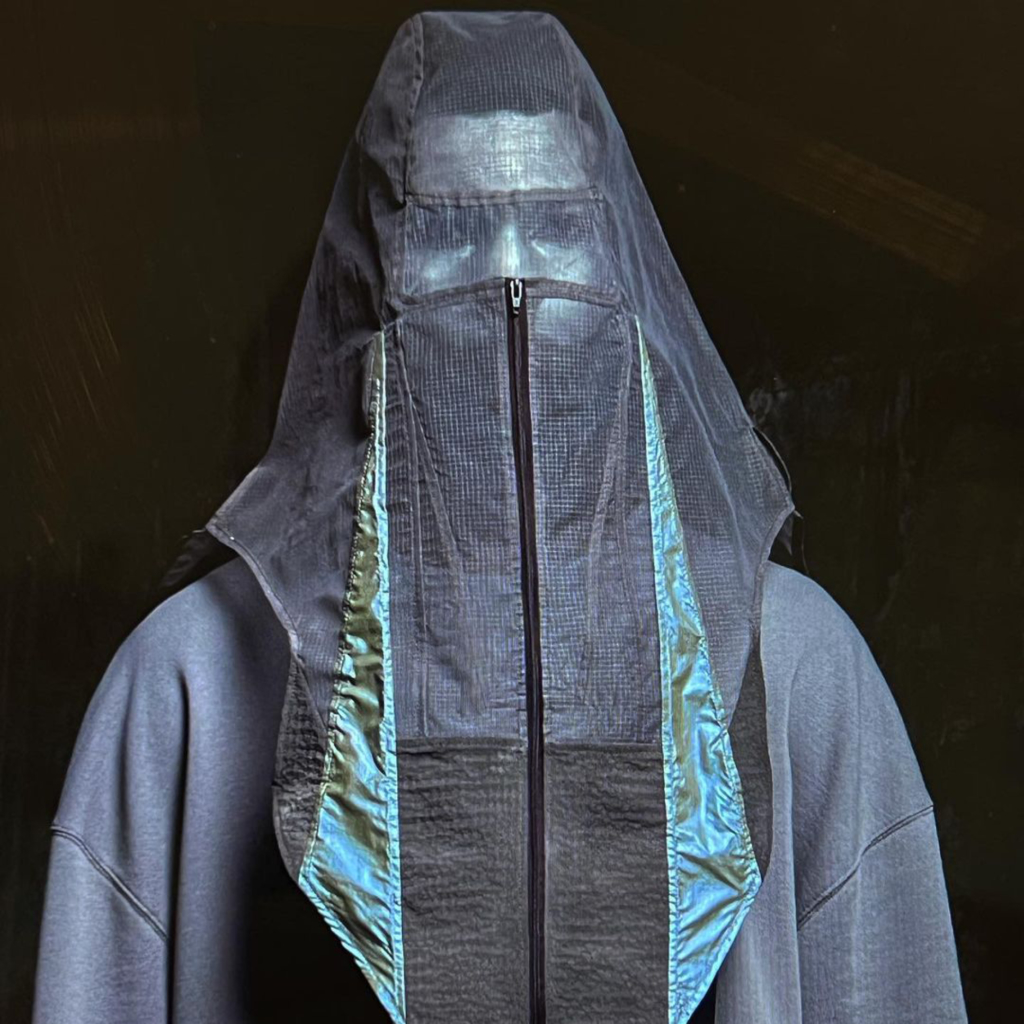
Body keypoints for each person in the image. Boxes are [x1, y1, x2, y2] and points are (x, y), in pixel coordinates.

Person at [32, 11, 967, 1023]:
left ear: (621, 272)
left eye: (558, 227)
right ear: (372, 286)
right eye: (452, 233)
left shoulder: (788, 661)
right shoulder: (191, 677)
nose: (511, 281)